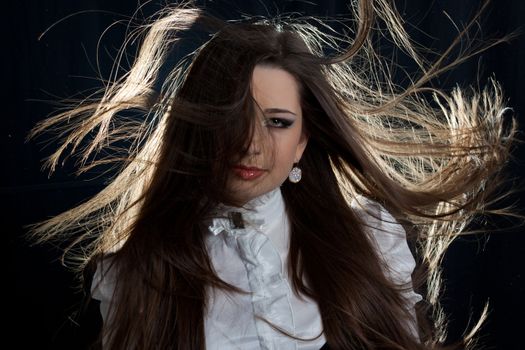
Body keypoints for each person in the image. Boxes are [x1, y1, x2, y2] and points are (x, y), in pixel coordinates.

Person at [26, 0, 516, 349]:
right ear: (199, 128)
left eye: (278, 122)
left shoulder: (370, 240)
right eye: (233, 117)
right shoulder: (134, 273)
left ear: (304, 141)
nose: (252, 144)